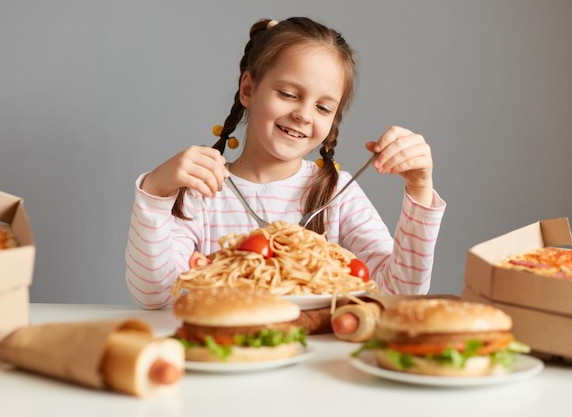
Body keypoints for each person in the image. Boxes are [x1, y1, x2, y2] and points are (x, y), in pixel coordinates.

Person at [125, 17, 446, 309]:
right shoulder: (204, 189)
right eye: (289, 94)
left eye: (323, 108)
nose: (303, 115)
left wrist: (419, 190)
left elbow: (400, 293)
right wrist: (154, 192)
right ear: (248, 89)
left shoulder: (337, 192)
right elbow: (154, 294)